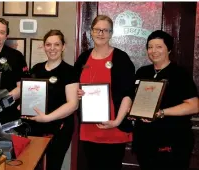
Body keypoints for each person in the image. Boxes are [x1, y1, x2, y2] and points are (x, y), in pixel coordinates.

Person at [74, 15, 135, 170]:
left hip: (114, 127)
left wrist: (116, 122)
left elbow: (128, 94)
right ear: (91, 32)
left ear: (111, 33)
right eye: (97, 29)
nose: (101, 33)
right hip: (89, 128)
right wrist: (77, 93)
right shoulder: (83, 58)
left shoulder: (121, 58)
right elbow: (74, 87)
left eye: (105, 30)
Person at [132, 30, 199, 170]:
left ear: (169, 49)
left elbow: (194, 106)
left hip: (172, 144)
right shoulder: (142, 72)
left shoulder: (179, 74)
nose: (153, 51)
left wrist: (161, 112)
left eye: (159, 47)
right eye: (150, 47)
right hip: (145, 142)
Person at [22, 30, 79, 170]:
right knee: (33, 165)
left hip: (59, 128)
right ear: (44, 46)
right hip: (35, 127)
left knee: (53, 165)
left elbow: (73, 104)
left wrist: (48, 118)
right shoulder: (36, 69)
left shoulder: (70, 71)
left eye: (56, 44)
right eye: (48, 44)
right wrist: (23, 106)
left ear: (63, 46)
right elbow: (30, 94)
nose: (52, 48)